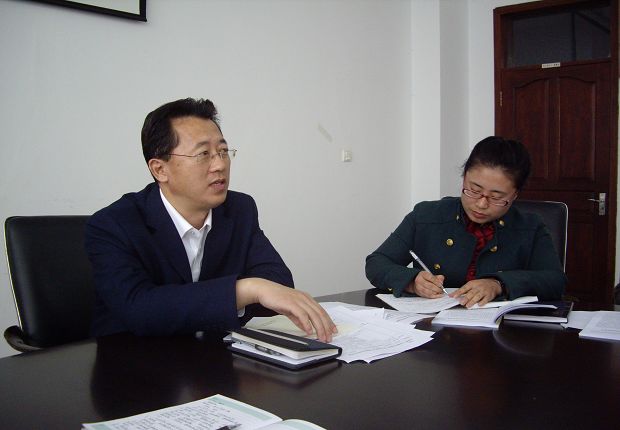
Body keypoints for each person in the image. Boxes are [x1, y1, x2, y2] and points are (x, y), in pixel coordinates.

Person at [86, 98, 336, 341]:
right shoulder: (113, 224)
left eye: (223, 151)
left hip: (214, 356)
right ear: (160, 169)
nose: (219, 165)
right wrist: (246, 290)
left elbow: (278, 282)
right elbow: (139, 309)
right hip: (133, 359)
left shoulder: (239, 209)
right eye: (203, 154)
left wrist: (255, 291)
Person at [365, 136, 566, 308]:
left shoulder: (530, 226)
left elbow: (555, 281)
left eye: (496, 197)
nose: (481, 204)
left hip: (502, 332)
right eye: (474, 190)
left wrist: (499, 284)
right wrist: (412, 281)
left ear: (514, 195)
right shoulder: (427, 215)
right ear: (464, 178)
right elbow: (376, 263)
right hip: (433, 330)